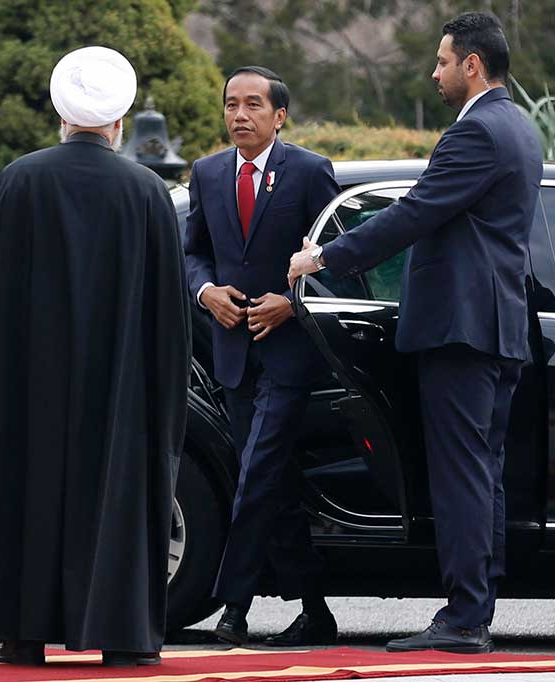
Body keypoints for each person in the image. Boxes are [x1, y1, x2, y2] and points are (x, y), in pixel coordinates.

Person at [288, 12, 543, 654]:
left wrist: (324, 257)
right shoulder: (519, 126)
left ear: (472, 65)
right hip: (494, 326)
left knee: (461, 474)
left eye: (442, 61)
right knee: (481, 471)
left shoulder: (476, 132)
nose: (435, 73)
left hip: (461, 330)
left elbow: (414, 212)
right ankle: (475, 607)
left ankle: (464, 617)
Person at [0, 46, 190, 667]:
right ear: (119, 124)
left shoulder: (21, 180)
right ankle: (123, 636)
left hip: (28, 384)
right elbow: (168, 313)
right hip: (122, 386)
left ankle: (22, 635)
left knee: (25, 494)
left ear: (62, 117)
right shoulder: (147, 190)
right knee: (118, 500)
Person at [184, 66, 341, 646]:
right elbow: (192, 253)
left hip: (289, 357)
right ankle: (315, 610)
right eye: (231, 104)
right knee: (273, 480)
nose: (239, 115)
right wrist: (206, 291)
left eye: (253, 105)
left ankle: (234, 604)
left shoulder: (309, 171)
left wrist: (292, 303)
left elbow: (333, 257)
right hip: (233, 357)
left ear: (279, 116)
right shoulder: (206, 173)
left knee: (256, 472)